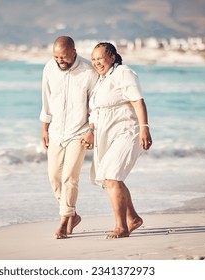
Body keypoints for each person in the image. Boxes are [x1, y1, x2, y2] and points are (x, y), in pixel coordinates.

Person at [83, 42, 152, 239]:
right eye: (94, 59)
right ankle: (133, 219)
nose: (96, 63)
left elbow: (138, 101)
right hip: (105, 135)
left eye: (100, 58)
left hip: (126, 131)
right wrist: (91, 131)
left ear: (112, 57)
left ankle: (121, 227)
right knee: (111, 178)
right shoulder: (101, 81)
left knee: (113, 177)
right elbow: (96, 111)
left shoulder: (123, 73)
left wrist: (145, 129)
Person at [40, 36, 99, 239]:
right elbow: (46, 100)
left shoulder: (89, 71)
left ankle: (65, 220)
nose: (59, 61)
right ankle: (72, 214)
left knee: (69, 177)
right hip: (56, 130)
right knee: (54, 177)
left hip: (80, 131)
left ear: (74, 52)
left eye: (63, 57)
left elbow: (95, 106)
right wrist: (45, 128)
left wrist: (92, 130)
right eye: (56, 57)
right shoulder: (49, 68)